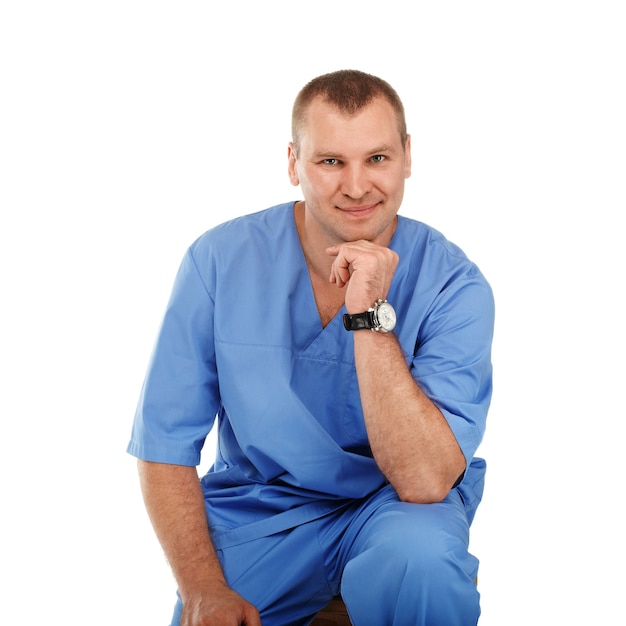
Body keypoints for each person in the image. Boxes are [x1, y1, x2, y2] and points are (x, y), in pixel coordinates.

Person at [127, 69, 494, 626]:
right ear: (293, 162)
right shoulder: (220, 261)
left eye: (377, 159)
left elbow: (423, 481)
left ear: (408, 156)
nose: (356, 186)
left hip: (392, 511)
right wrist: (202, 587)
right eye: (330, 162)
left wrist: (368, 313)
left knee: (421, 563)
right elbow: (165, 444)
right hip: (261, 516)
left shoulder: (453, 284)